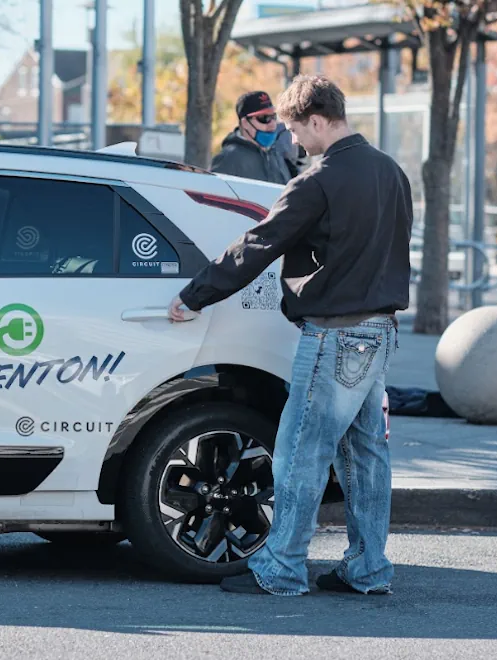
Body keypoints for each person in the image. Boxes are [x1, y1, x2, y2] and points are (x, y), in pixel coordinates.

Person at [168, 74, 413, 596]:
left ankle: (281, 568)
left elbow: (260, 242)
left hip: (334, 335)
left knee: (300, 451)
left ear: (319, 120)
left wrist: (195, 295)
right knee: (366, 457)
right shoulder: (391, 172)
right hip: (380, 331)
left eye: (297, 131)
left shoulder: (318, 180)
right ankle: (369, 569)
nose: (293, 142)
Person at [211, 90, 297, 184]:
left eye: (273, 116)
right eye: (264, 118)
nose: (272, 124)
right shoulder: (228, 159)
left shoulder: (276, 154)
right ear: (245, 123)